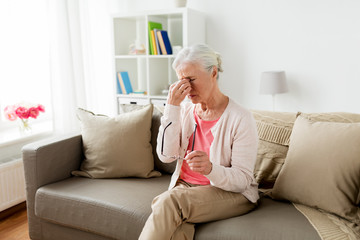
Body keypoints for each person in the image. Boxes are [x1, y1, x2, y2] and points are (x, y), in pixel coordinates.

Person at [139, 44, 259, 240]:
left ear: (213, 72)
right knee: (176, 229)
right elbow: (166, 156)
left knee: (168, 202)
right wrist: (172, 107)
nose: (186, 88)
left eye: (192, 79)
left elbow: (242, 180)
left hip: (231, 193)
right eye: (181, 81)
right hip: (186, 188)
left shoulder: (241, 118)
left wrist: (210, 168)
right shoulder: (184, 111)